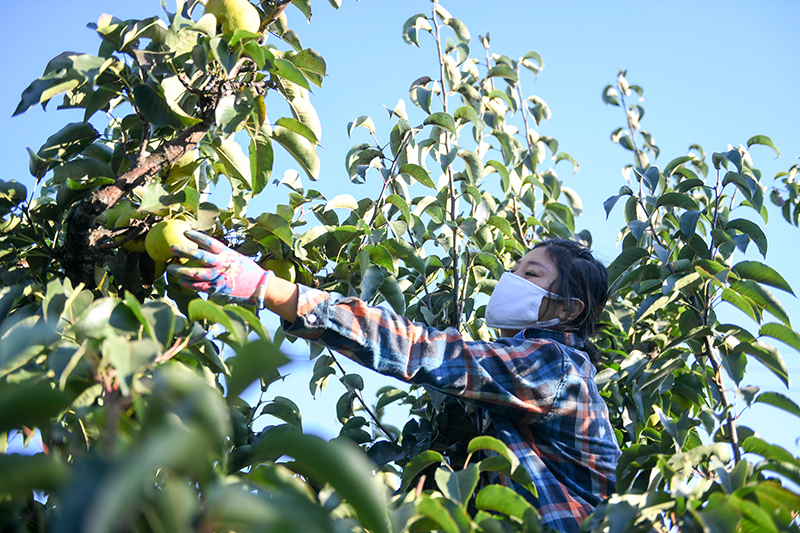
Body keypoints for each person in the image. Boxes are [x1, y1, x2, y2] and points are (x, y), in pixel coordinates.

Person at [168, 232, 621, 532]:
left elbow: (429, 352)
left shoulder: (553, 364)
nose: (512, 280)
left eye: (532, 274)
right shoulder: (531, 368)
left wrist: (270, 289)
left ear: (567, 309)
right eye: (515, 269)